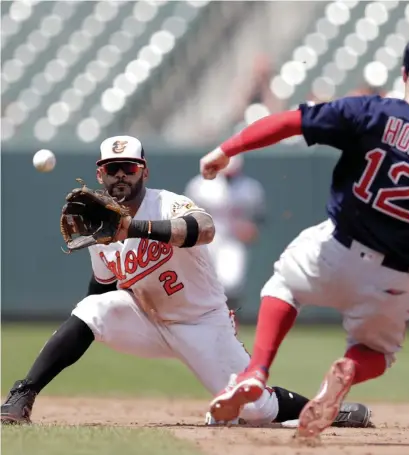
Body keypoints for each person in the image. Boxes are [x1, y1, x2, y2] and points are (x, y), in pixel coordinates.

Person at [1, 135, 371, 429]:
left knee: (256, 409)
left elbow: (204, 229)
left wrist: (133, 228)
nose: (120, 175)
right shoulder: (99, 228)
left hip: (202, 323)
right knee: (93, 308)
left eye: (128, 167)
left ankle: (325, 408)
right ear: (100, 175)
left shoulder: (168, 204)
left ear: (144, 172)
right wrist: (84, 329)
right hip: (148, 321)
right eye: (111, 168)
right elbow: (100, 290)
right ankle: (22, 394)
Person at [199, 32, 409, 439]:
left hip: (333, 249)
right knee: (379, 353)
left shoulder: (369, 111)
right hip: (392, 277)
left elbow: (288, 122)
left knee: (283, 286)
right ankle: (348, 370)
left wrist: (228, 149)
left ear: (404, 72)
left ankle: (256, 370)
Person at [185, 155, 266, 309]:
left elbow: (258, 219)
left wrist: (251, 228)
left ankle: (230, 322)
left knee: (231, 283)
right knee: (201, 282)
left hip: (232, 240)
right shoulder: (201, 186)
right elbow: (187, 216)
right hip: (205, 240)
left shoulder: (250, 188)